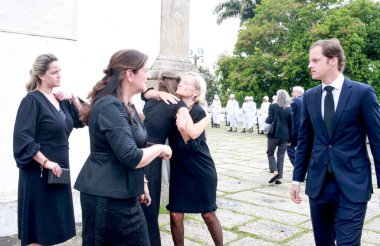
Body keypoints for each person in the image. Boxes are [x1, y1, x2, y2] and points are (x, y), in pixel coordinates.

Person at [74, 49, 172, 245]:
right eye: (145, 70)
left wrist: (141, 181)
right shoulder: (109, 106)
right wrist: (161, 148)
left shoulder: (127, 105)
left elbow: (132, 146)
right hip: (105, 197)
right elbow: (131, 156)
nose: (148, 75)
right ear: (129, 74)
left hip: (125, 193)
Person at [290, 39, 380, 245]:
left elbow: (377, 141)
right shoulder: (310, 97)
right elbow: (304, 141)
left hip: (353, 183)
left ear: (333, 60)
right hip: (319, 185)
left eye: (315, 60)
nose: (309, 65)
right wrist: (297, 179)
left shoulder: (362, 93)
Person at [13, 54, 84, 245]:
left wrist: (74, 98)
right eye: (55, 72)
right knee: (38, 231)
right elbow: (23, 139)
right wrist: (46, 161)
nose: (60, 75)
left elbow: (85, 119)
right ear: (42, 75)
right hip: (39, 173)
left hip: (59, 172)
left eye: (60, 70)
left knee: (52, 230)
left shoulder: (61, 100)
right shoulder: (32, 101)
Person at [167, 72, 223, 246]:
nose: (180, 84)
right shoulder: (173, 106)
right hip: (179, 169)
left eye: (186, 82)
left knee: (208, 214)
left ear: (196, 92)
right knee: (176, 215)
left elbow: (192, 147)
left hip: (200, 168)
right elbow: (147, 95)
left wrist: (183, 130)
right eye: (180, 81)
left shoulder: (198, 111)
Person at [266, 90, 292, 185]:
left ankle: (275, 172)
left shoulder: (273, 106)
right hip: (285, 136)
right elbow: (291, 126)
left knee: (270, 153)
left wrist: (265, 126)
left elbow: (270, 119)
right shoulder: (289, 109)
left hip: (274, 134)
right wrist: (290, 139)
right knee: (281, 156)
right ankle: (278, 177)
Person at [287, 86, 304, 165]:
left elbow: (292, 117)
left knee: (290, 148)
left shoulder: (296, 101)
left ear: (297, 92)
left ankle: (298, 167)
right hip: (304, 129)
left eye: (293, 92)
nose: (292, 93)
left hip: (295, 129)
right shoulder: (305, 100)